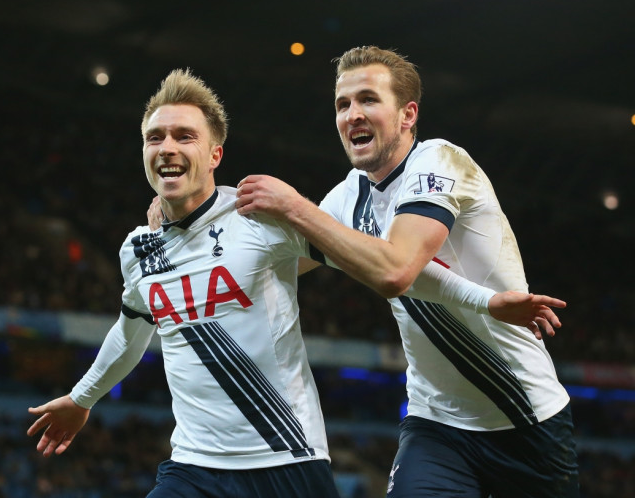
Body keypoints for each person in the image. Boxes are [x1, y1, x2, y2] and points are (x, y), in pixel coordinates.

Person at [28, 68, 567, 498]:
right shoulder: (139, 250)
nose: (167, 147)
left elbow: (392, 270)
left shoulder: (278, 219)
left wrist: (487, 300)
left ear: (214, 153)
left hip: (291, 460)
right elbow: (132, 327)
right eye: (156, 137)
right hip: (203, 462)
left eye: (184, 136)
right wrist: (84, 397)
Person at [235, 46, 579, 497]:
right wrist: (187, 212)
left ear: (407, 114)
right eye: (343, 105)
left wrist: (296, 207)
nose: (352, 114)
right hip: (435, 425)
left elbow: (397, 268)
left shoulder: (441, 162)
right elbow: (277, 259)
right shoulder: (347, 197)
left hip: (526, 419)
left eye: (368, 100)